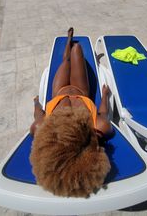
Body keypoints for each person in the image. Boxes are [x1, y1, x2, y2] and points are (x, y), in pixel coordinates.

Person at [30, 27, 113, 197]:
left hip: (59, 91)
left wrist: (36, 102)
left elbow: (39, 113)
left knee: (66, 59)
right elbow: (104, 113)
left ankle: (69, 39)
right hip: (79, 88)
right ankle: (71, 42)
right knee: (77, 50)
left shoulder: (41, 128)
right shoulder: (99, 127)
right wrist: (104, 96)